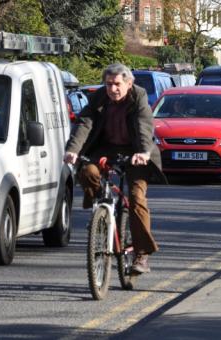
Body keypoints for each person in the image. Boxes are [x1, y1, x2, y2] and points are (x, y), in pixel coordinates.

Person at [64, 63, 166, 274]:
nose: (112, 89)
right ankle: (100, 207)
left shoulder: (138, 97)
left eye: (117, 84)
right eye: (109, 84)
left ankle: (142, 253)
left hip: (136, 151)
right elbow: (85, 123)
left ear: (129, 83)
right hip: (105, 148)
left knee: (137, 199)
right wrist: (73, 150)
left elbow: (143, 125)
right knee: (88, 172)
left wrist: (145, 152)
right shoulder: (99, 97)